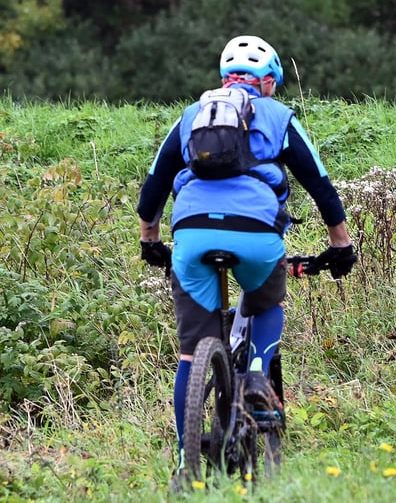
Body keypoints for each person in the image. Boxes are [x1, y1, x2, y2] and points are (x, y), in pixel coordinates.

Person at [135, 35, 358, 481]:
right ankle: (256, 372)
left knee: (189, 355)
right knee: (266, 301)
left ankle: (184, 464)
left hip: (192, 232)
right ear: (269, 82)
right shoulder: (278, 115)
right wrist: (341, 244)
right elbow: (319, 183)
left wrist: (150, 239)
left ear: (224, 79)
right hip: (256, 233)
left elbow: (155, 183)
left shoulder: (191, 115)